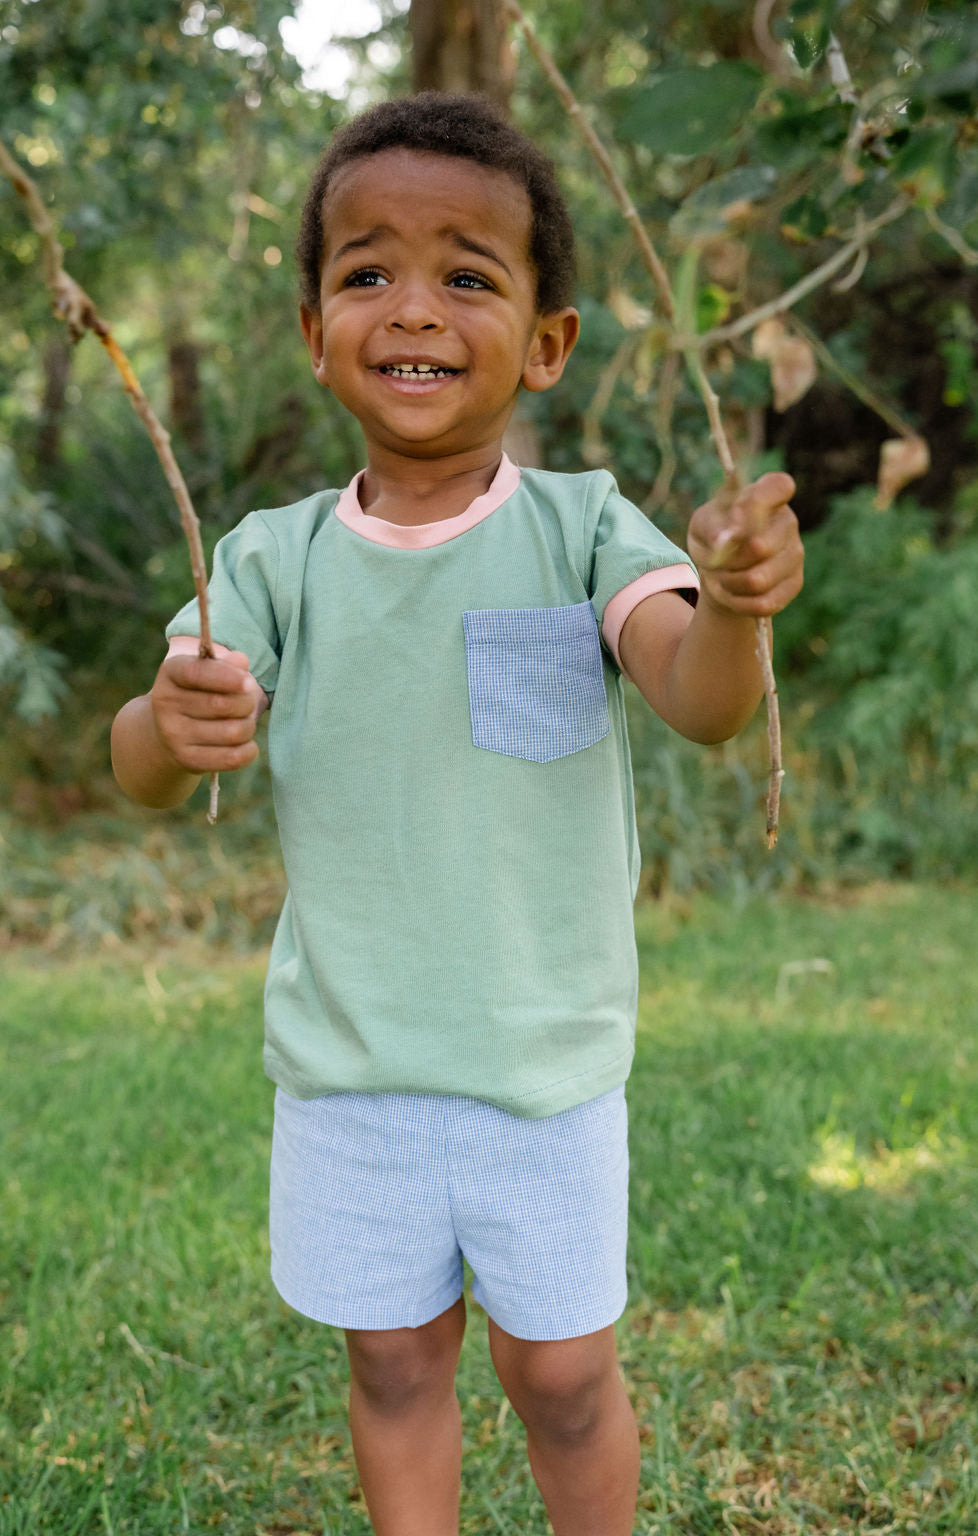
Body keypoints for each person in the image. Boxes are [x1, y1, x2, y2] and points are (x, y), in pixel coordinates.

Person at [111, 92, 803, 1536]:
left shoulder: (588, 527)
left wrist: (733, 607)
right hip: (350, 1067)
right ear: (314, 330)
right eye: (366, 273)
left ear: (547, 342)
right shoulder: (271, 560)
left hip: (543, 1070)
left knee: (559, 1372)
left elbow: (699, 691)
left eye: (468, 274)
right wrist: (168, 727)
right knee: (394, 1360)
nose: (412, 308)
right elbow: (149, 755)